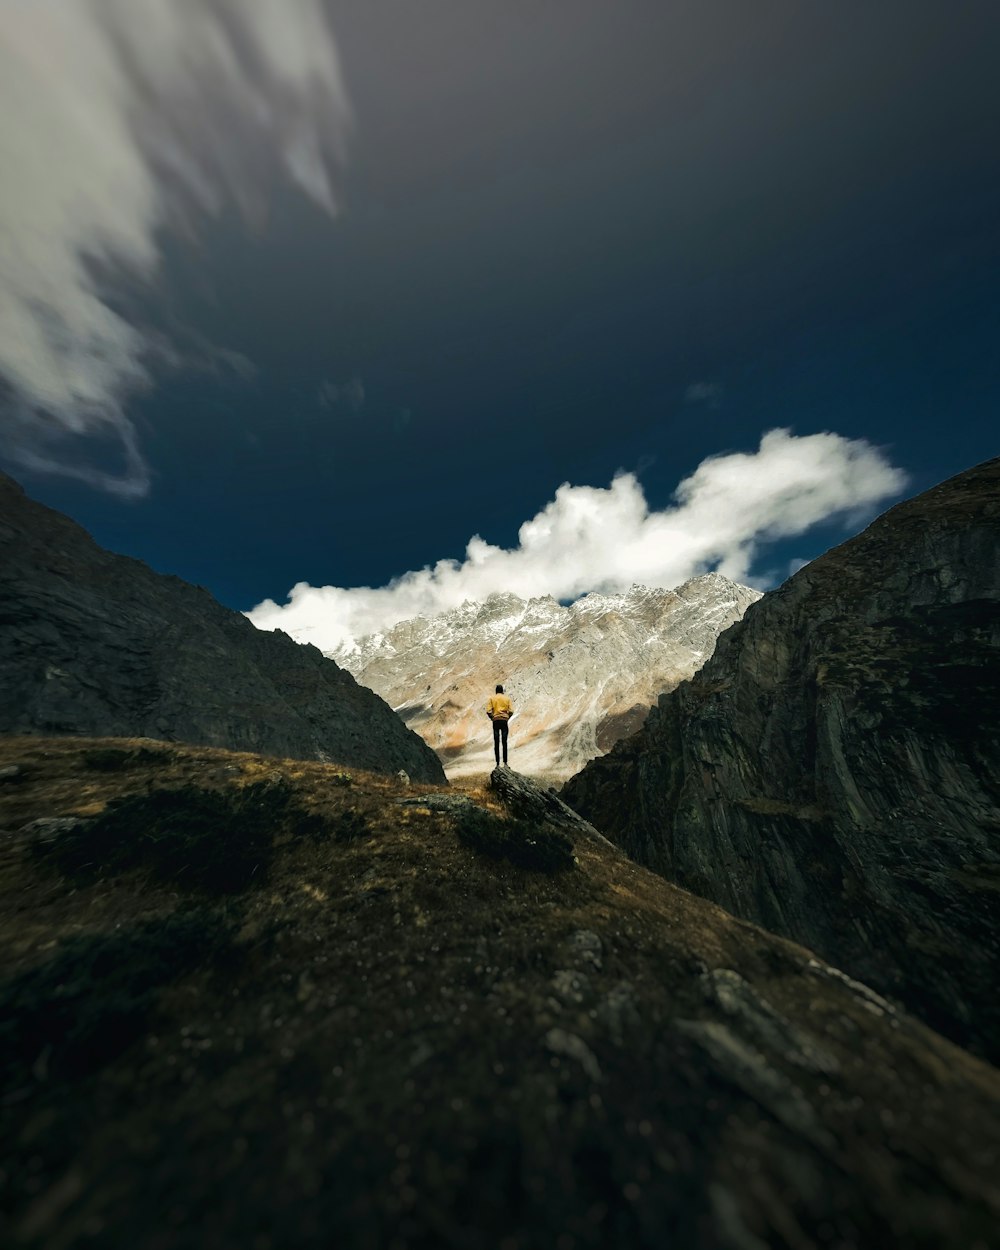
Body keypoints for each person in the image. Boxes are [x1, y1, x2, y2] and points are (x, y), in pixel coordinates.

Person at [486, 683, 514, 766]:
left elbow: (488, 711)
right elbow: (511, 711)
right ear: (502, 691)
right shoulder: (507, 699)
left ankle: (497, 763)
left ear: (496, 691)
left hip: (496, 721)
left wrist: (492, 718)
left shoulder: (492, 698)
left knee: (496, 742)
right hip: (504, 721)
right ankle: (505, 762)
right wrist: (507, 717)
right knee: (504, 742)